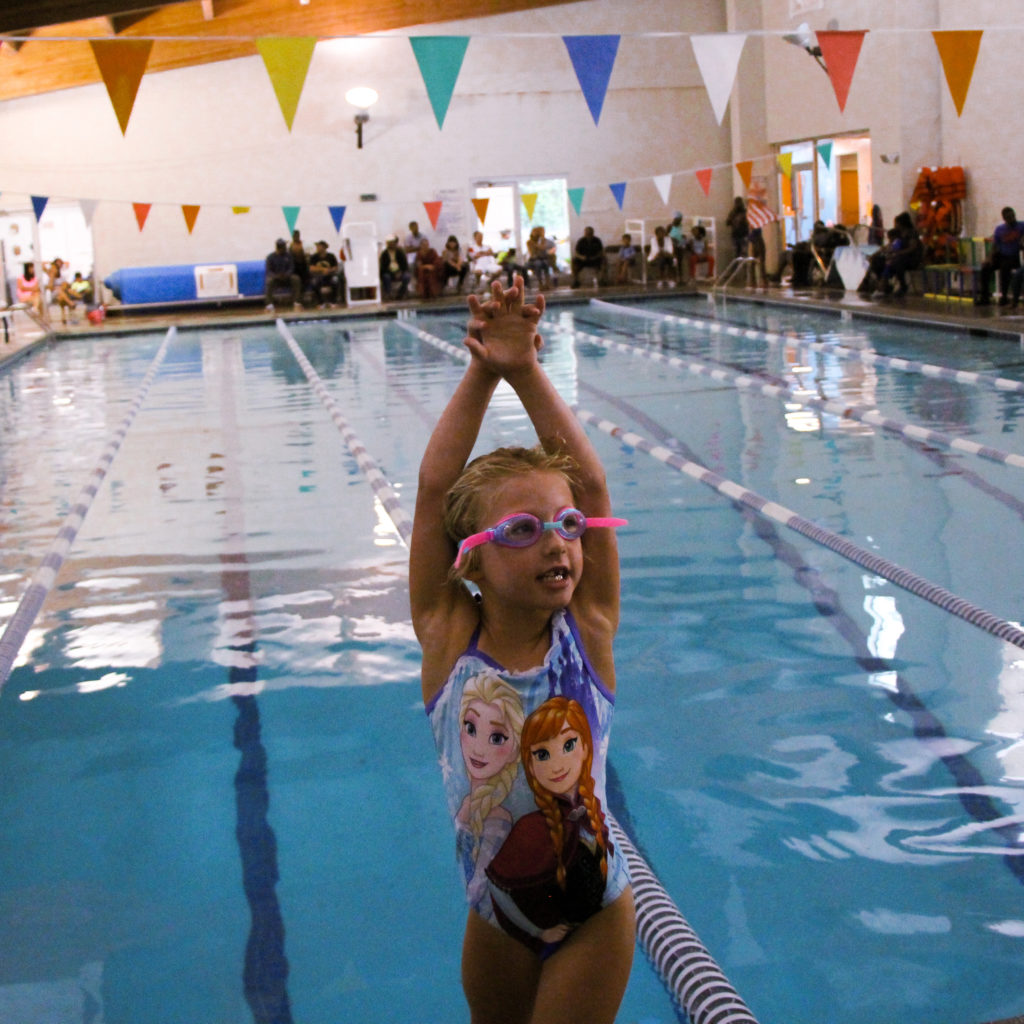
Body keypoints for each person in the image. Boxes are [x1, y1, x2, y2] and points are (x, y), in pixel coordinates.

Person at [411, 274, 635, 1024]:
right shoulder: (450, 639)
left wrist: (527, 367)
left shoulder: (588, 633)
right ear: (468, 557)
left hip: (596, 915)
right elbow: (434, 488)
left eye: (566, 526)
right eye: (522, 530)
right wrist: (482, 367)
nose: (558, 544)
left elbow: (594, 488)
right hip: (494, 913)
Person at [977, 206, 1024, 306]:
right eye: (1009, 218)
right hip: (1001, 255)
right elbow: (995, 245)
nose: (1011, 220)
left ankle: (1004, 296)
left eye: (1012, 217)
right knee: (985, 268)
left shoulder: (1021, 226)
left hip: (1013, 256)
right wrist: (988, 259)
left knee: (1005, 268)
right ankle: (984, 297)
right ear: (1004, 219)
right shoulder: (1000, 229)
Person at [264, 238, 301, 311]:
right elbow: (269, 271)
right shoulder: (270, 257)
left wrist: (287, 274)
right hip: (276, 279)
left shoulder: (288, 256)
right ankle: (269, 304)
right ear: (279, 247)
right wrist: (276, 276)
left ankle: (296, 302)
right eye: (284, 246)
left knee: (296, 278)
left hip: (287, 278)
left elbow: (291, 268)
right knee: (269, 281)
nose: (285, 248)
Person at [308, 240, 341, 306]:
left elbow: (336, 267)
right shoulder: (314, 257)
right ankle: (320, 302)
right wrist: (323, 270)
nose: (317, 248)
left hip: (329, 275)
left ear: (324, 247)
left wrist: (329, 270)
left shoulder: (331, 256)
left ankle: (333, 301)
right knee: (314, 282)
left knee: (335, 280)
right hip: (319, 276)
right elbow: (311, 268)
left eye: (319, 247)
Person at [379, 235, 411, 300]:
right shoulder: (384, 254)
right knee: (386, 277)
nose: (391, 244)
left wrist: (400, 272)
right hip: (389, 273)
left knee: (407, 276)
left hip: (400, 272)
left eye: (392, 242)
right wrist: (393, 273)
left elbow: (404, 265)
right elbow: (383, 268)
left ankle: (401, 293)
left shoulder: (400, 252)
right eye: (389, 243)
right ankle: (388, 294)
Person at [725, 196, 749, 262]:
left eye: (739, 203)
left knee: (744, 254)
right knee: (736, 255)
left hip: (744, 235)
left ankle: (744, 270)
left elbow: (748, 223)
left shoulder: (745, 212)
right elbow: (727, 223)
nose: (738, 204)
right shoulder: (733, 213)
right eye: (737, 203)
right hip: (735, 235)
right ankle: (737, 269)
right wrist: (732, 218)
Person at [667, 212, 688, 284]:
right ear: (674, 219)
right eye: (678, 219)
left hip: (679, 246)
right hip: (672, 247)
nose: (679, 221)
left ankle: (681, 278)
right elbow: (666, 236)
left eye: (680, 220)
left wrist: (682, 242)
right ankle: (674, 277)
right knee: (674, 262)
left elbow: (682, 235)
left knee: (680, 263)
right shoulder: (670, 226)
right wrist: (673, 240)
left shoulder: (681, 226)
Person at [289, 230, 310, 295]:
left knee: (304, 279)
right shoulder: (290, 246)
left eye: (297, 236)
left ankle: (303, 293)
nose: (296, 237)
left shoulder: (303, 244)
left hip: (302, 265)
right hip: (294, 266)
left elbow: (307, 255)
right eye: (294, 236)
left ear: (299, 236)